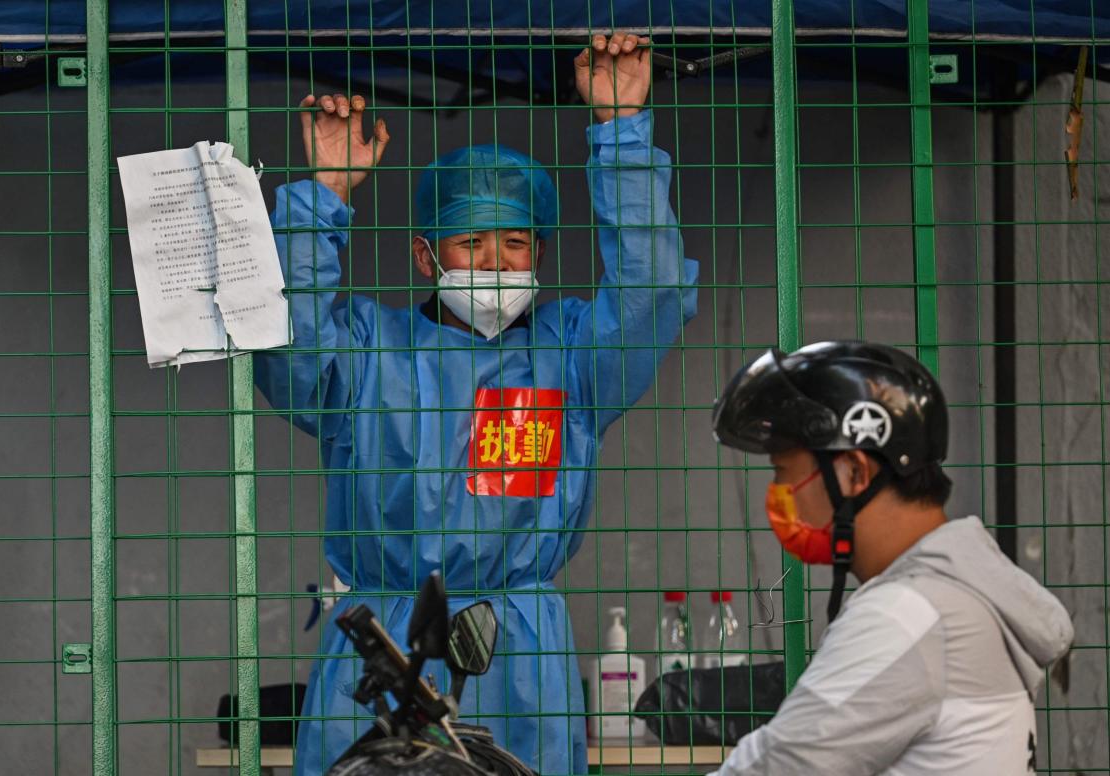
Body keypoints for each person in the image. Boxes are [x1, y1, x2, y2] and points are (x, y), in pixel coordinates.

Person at [254, 32, 699, 775]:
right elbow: (288, 348)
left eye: (517, 243)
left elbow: (650, 295)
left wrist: (619, 132)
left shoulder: (570, 355)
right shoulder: (367, 347)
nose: (495, 263)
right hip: (381, 649)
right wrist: (324, 197)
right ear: (426, 256)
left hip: (517, 655)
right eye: (471, 242)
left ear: (542, 254)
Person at [708, 341, 1074, 775]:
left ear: (855, 472)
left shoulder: (907, 617)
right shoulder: (962, 599)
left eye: (784, 472)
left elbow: (776, 768)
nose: (780, 496)